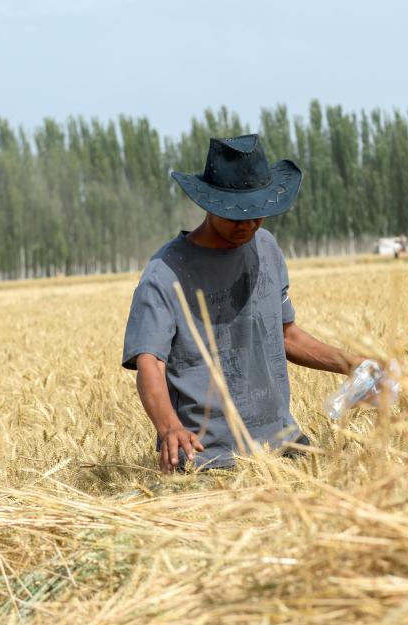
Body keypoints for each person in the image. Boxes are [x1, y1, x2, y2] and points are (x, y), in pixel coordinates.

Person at [122, 134, 363, 473]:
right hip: (209, 459)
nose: (249, 225)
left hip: (283, 444)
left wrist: (354, 364)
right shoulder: (165, 273)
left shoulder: (266, 248)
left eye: (259, 214)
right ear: (210, 204)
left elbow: (287, 335)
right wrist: (169, 427)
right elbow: (150, 362)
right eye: (237, 215)